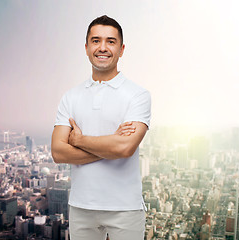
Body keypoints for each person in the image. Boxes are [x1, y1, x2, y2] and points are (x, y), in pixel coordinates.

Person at [51, 15, 151, 240]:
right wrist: (109, 145)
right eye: (96, 41)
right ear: (86, 48)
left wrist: (78, 140)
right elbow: (58, 152)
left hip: (125, 208)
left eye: (111, 41)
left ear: (122, 49)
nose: (102, 47)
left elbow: (124, 148)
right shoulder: (71, 97)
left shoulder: (138, 95)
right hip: (80, 207)